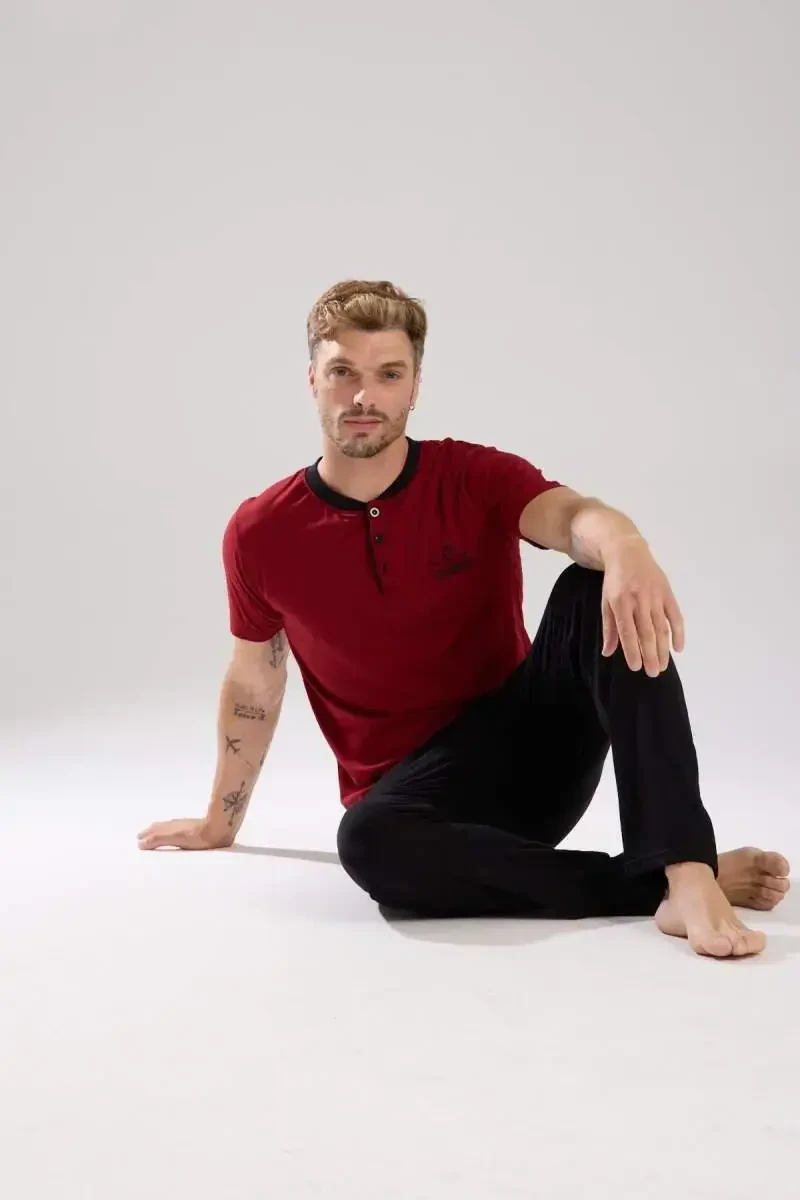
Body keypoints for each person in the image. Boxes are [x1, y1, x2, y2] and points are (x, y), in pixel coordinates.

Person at [139, 278, 790, 958]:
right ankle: (653, 883)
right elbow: (255, 680)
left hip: (531, 758)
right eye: (343, 373)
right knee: (367, 843)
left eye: (388, 374)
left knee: (590, 587)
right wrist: (219, 822)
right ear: (312, 380)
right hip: (414, 810)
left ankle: (686, 869)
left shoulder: (473, 476)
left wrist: (626, 546)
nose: (363, 397)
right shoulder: (260, 532)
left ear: (414, 386)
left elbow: (573, 517)